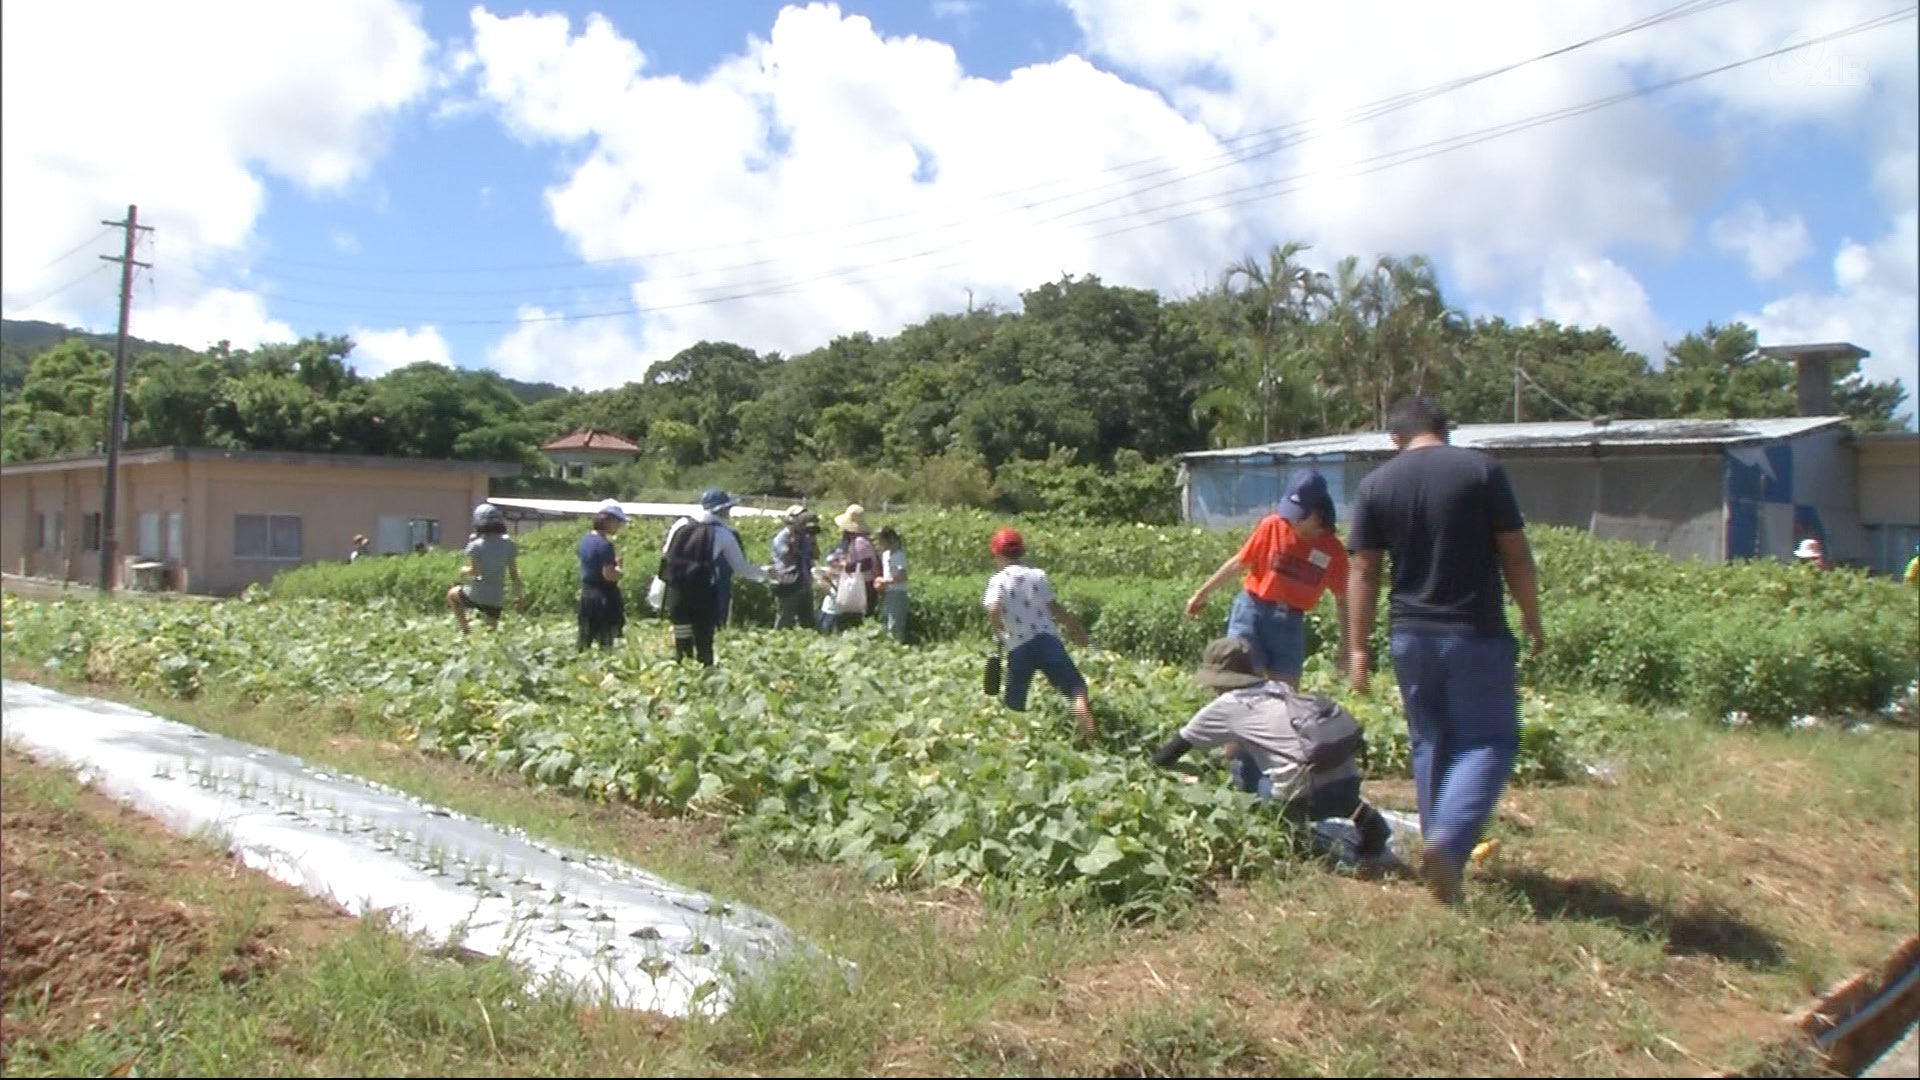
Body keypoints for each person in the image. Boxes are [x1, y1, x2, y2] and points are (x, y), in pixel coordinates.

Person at [1345, 396, 1543, 907]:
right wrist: (1532, 617)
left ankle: (1442, 861)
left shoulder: (1375, 485)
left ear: (1396, 438)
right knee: (1490, 741)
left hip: (1410, 634)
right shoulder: (1481, 471)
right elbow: (1516, 556)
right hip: (1473, 629)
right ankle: (1450, 842)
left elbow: (1363, 572)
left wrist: (1357, 648)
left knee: (1430, 740)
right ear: (1444, 429)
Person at [1150, 637, 1391, 863]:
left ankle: (1287, 829)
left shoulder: (1227, 705)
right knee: (1279, 757)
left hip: (1308, 799)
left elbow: (1172, 751)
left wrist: (1151, 769)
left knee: (1240, 766)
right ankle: (1365, 816)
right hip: (1348, 785)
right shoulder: (1278, 688)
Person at [1185, 469, 1349, 687]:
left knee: (1285, 694)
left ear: (1319, 513)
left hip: (1290, 622)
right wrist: (1201, 593)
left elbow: (1343, 600)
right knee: (1240, 683)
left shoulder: (1333, 551)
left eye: (1299, 514)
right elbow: (1240, 562)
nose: (1291, 520)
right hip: (1252, 612)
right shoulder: (1272, 526)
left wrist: (1348, 647)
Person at [983, 527, 1097, 744]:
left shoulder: (998, 580)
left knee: (1015, 701)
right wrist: (1075, 627)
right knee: (1076, 688)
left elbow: (993, 608)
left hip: (1018, 646)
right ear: (1022, 552)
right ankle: (1088, 733)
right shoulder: (1037, 576)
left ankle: (1014, 743)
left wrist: (998, 634)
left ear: (997, 554)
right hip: (1047, 641)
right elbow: (1053, 608)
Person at [659, 488, 768, 666]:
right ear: (721, 510)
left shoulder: (680, 524)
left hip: (676, 590)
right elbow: (741, 567)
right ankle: (705, 680)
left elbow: (666, 553)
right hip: (702, 592)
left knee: (682, 641)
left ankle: (682, 676)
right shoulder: (723, 534)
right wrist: (765, 573)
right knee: (704, 642)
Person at [448, 503, 526, 635]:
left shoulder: (476, 546)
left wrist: (463, 570)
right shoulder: (509, 545)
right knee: (491, 632)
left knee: (452, 594)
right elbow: (514, 573)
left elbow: (476, 571)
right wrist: (518, 594)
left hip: (477, 594)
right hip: (496, 597)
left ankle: (465, 630)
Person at [577, 499, 628, 652]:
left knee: (585, 635)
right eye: (616, 521)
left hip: (587, 593)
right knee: (606, 639)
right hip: (603, 596)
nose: (618, 526)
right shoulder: (605, 545)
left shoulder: (585, 540)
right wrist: (619, 569)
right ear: (606, 520)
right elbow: (609, 575)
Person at [768, 505, 822, 629]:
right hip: (787, 582)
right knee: (785, 618)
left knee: (808, 619)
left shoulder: (806, 537)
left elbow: (816, 555)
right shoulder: (782, 537)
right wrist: (794, 540)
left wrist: (813, 539)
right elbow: (787, 557)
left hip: (805, 582)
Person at [829, 504, 881, 626]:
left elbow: (867, 563)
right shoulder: (859, 541)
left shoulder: (860, 542)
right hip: (863, 584)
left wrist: (847, 566)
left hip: (865, 585)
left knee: (861, 617)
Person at [876, 525, 909, 643]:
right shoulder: (885, 555)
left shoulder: (899, 555)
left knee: (895, 622)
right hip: (888, 591)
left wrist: (885, 581)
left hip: (898, 591)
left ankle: (897, 644)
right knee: (886, 619)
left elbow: (903, 575)